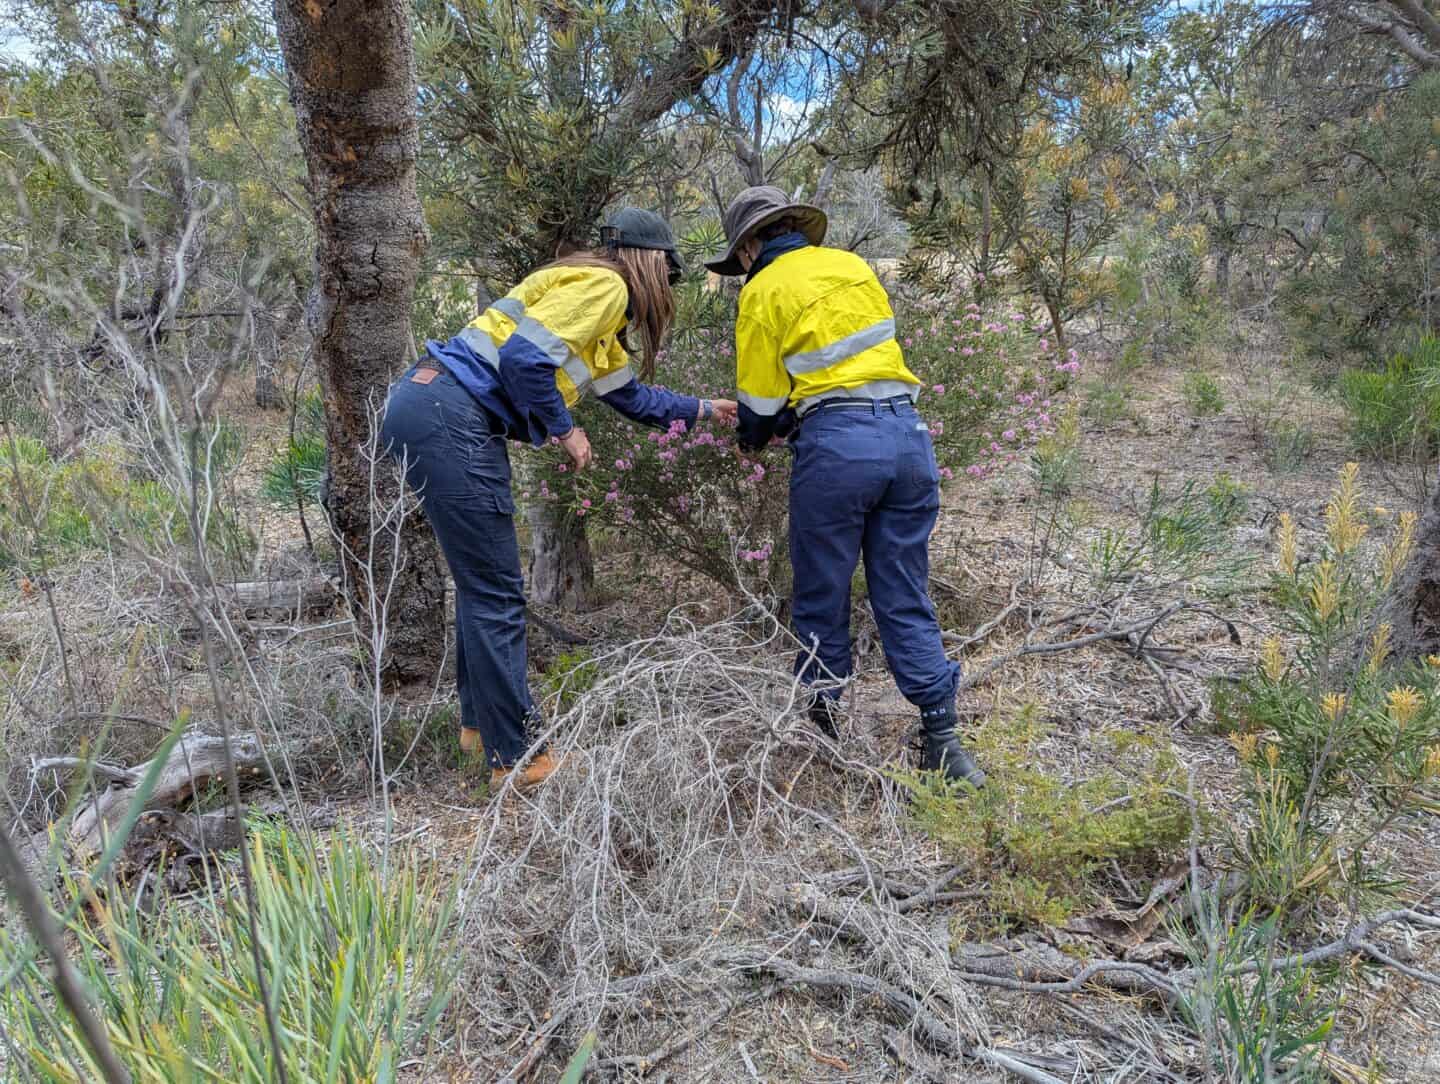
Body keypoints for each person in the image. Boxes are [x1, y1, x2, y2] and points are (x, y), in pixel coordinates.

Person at [382, 209, 737, 792]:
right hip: (451, 415)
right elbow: (524, 359)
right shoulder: (607, 285)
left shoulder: (593, 319)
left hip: (427, 406)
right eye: (668, 278)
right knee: (497, 591)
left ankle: (480, 731)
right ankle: (519, 759)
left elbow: (634, 398)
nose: (664, 293)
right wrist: (564, 428)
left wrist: (702, 409)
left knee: (482, 586)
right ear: (651, 264)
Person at [705, 186, 985, 788]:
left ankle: (826, 732)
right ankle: (944, 740)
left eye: (739, 262)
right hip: (909, 437)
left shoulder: (763, 289)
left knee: (822, 591)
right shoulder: (854, 267)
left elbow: (760, 400)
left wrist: (754, 436)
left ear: (750, 246)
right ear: (795, 229)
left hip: (837, 447)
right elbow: (855, 361)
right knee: (904, 589)